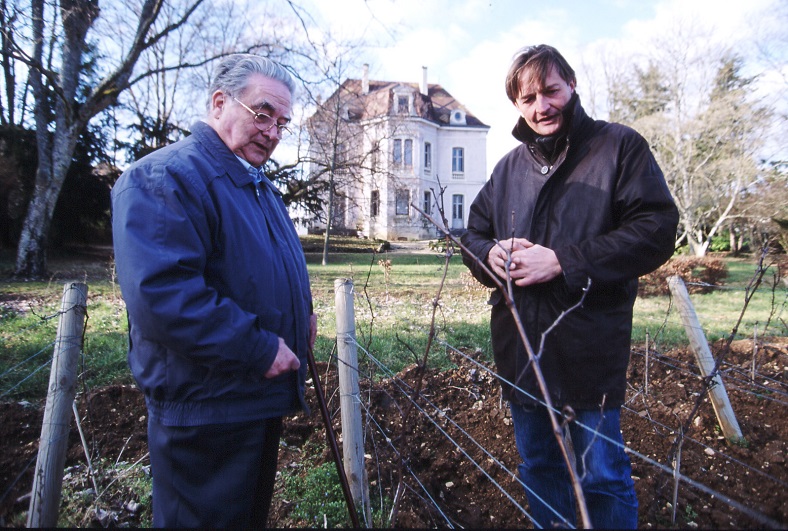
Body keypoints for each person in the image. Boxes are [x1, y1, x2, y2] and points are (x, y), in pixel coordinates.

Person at [461, 45, 678, 529]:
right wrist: (488, 254)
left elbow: (657, 229)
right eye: (528, 98)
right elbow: (473, 232)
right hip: (520, 352)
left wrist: (564, 260)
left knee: (601, 476)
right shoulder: (508, 168)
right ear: (517, 105)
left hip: (589, 349)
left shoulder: (619, 147)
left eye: (551, 91)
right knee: (539, 468)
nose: (542, 107)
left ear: (572, 85)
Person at [111, 54, 316, 528]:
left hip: (249, 399)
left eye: (282, 122)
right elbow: (164, 297)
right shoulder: (165, 178)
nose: (273, 131)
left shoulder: (255, 186)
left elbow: (261, 269)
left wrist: (300, 313)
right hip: (205, 412)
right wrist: (258, 347)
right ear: (220, 102)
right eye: (263, 113)